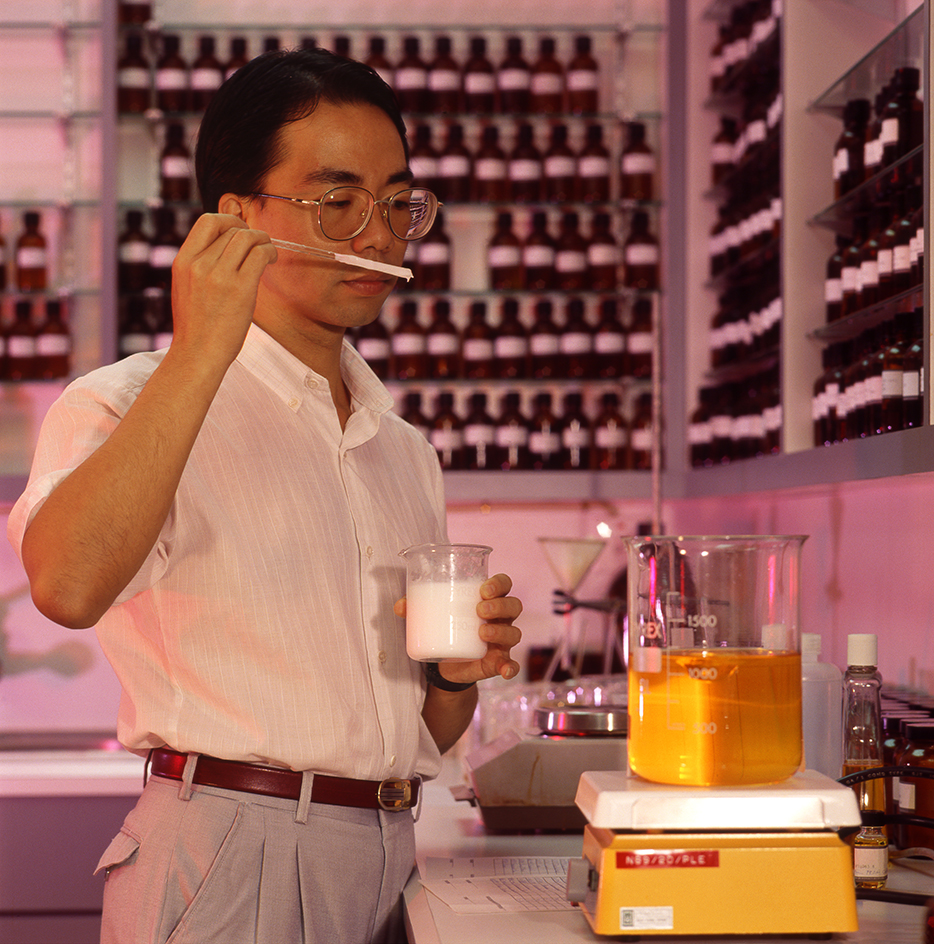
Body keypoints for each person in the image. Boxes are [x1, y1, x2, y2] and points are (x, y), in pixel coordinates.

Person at [7, 47, 522, 944]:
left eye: (397, 202)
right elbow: (67, 586)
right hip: (232, 853)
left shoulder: (400, 449)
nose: (376, 234)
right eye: (336, 201)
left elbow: (427, 730)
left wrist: (451, 673)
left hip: (391, 854)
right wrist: (201, 343)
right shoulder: (125, 403)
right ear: (238, 219)